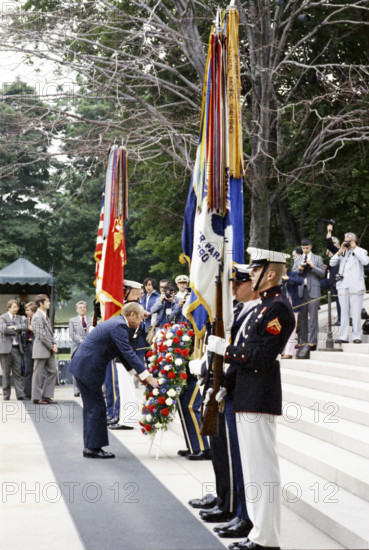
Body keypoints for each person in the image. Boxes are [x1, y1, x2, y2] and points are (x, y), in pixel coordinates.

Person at [208, 248, 295, 550]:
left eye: (255, 271)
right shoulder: (262, 309)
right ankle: (258, 533)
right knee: (253, 471)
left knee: (262, 471)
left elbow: (260, 357)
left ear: (271, 273)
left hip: (259, 398)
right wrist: (225, 384)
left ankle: (266, 539)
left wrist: (224, 350)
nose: (251, 275)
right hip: (245, 395)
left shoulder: (278, 310)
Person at [68, 302, 156, 459]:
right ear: (132, 315)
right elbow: (128, 352)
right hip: (88, 369)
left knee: (93, 408)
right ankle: (92, 448)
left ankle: (91, 446)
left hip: (84, 367)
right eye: (141, 318)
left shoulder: (119, 324)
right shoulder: (119, 326)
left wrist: (138, 376)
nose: (142, 322)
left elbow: (122, 355)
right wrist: (147, 376)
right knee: (96, 408)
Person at [330, 232, 369, 344]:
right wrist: (340, 250)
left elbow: (366, 261)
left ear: (354, 241)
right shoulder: (342, 252)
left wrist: (354, 248)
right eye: (345, 240)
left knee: (356, 312)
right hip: (343, 285)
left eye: (349, 240)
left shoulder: (361, 251)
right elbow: (332, 263)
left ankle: (357, 336)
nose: (346, 242)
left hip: (356, 286)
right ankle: (344, 336)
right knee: (344, 312)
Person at [292, 238, 325, 351]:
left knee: (313, 317)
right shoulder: (297, 259)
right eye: (303, 248)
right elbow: (293, 274)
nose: (305, 250)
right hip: (301, 291)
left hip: (314, 291)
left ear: (310, 247)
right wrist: (299, 269)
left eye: (307, 248)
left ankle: (312, 342)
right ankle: (303, 341)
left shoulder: (317, 258)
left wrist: (312, 266)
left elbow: (322, 273)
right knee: (302, 318)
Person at [31, 294, 58, 405]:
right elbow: (41, 335)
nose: (49, 303)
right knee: (38, 374)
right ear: (41, 303)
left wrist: (54, 343)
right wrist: (51, 346)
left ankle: (47, 395)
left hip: (48, 349)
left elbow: (49, 333)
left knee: (53, 371)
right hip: (41, 349)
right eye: (47, 301)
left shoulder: (45, 315)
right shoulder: (37, 316)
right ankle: (36, 398)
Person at [0, 299, 28, 401]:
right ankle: (6, 394)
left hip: (17, 348)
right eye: (14, 307)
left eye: (17, 307)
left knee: (17, 373)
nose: (16, 309)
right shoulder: (2, 317)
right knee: (6, 373)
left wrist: (13, 327)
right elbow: (3, 329)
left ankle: (20, 394)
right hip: (5, 349)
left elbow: (24, 327)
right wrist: (16, 330)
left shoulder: (20, 318)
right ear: (9, 307)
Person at [69, 301, 93, 397]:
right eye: (80, 307)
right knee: (77, 369)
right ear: (77, 309)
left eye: (84, 307)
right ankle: (76, 389)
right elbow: (72, 334)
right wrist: (81, 340)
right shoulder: (72, 320)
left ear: (86, 309)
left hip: (90, 348)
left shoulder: (92, 320)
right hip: (77, 347)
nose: (82, 309)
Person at [22, 302, 37, 398]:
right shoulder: (26, 321)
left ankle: (36, 392)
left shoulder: (37, 319)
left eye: (28, 310)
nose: (26, 312)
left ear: (33, 311)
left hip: (35, 344)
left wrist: (29, 327)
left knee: (37, 369)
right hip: (27, 345)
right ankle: (27, 392)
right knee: (28, 369)